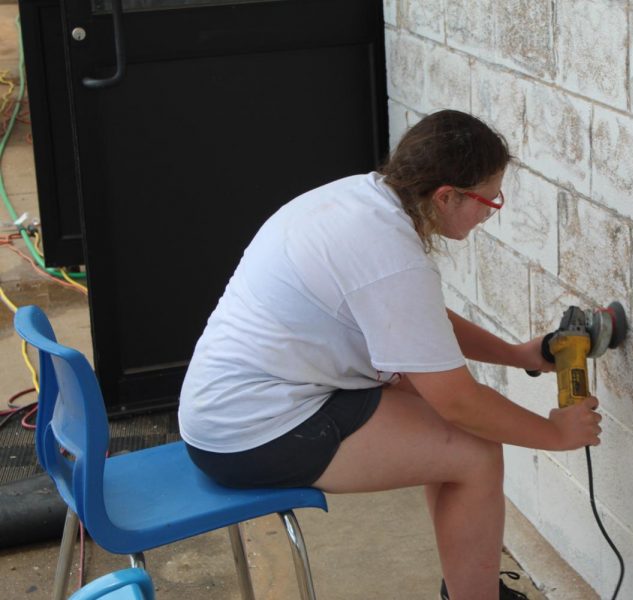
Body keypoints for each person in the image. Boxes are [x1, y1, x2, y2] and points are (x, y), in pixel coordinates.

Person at [178, 109, 602, 600]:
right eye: (489, 200)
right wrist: (554, 434)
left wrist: (514, 354)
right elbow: (458, 403)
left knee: (453, 435)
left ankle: (470, 588)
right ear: (447, 196)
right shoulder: (388, 254)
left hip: (231, 408)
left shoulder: (363, 198)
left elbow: (415, 318)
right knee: (474, 451)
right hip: (250, 434)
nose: (490, 212)